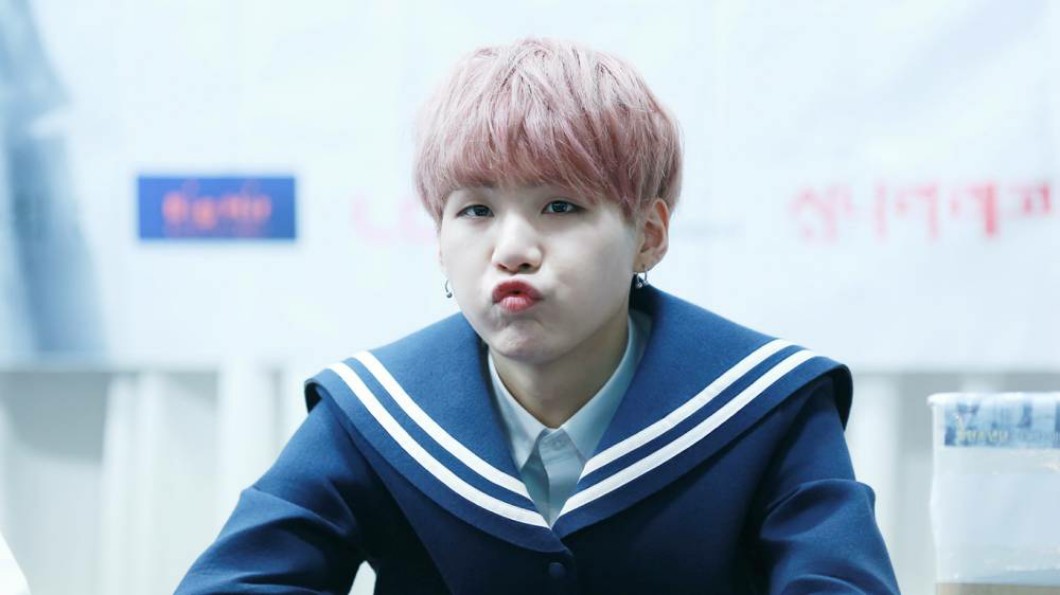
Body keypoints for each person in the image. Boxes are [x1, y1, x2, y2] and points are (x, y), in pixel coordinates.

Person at [176, 38, 899, 594]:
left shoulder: (764, 403)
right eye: (475, 210)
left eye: (560, 205)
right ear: (438, 238)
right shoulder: (376, 411)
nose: (512, 249)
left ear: (649, 234)